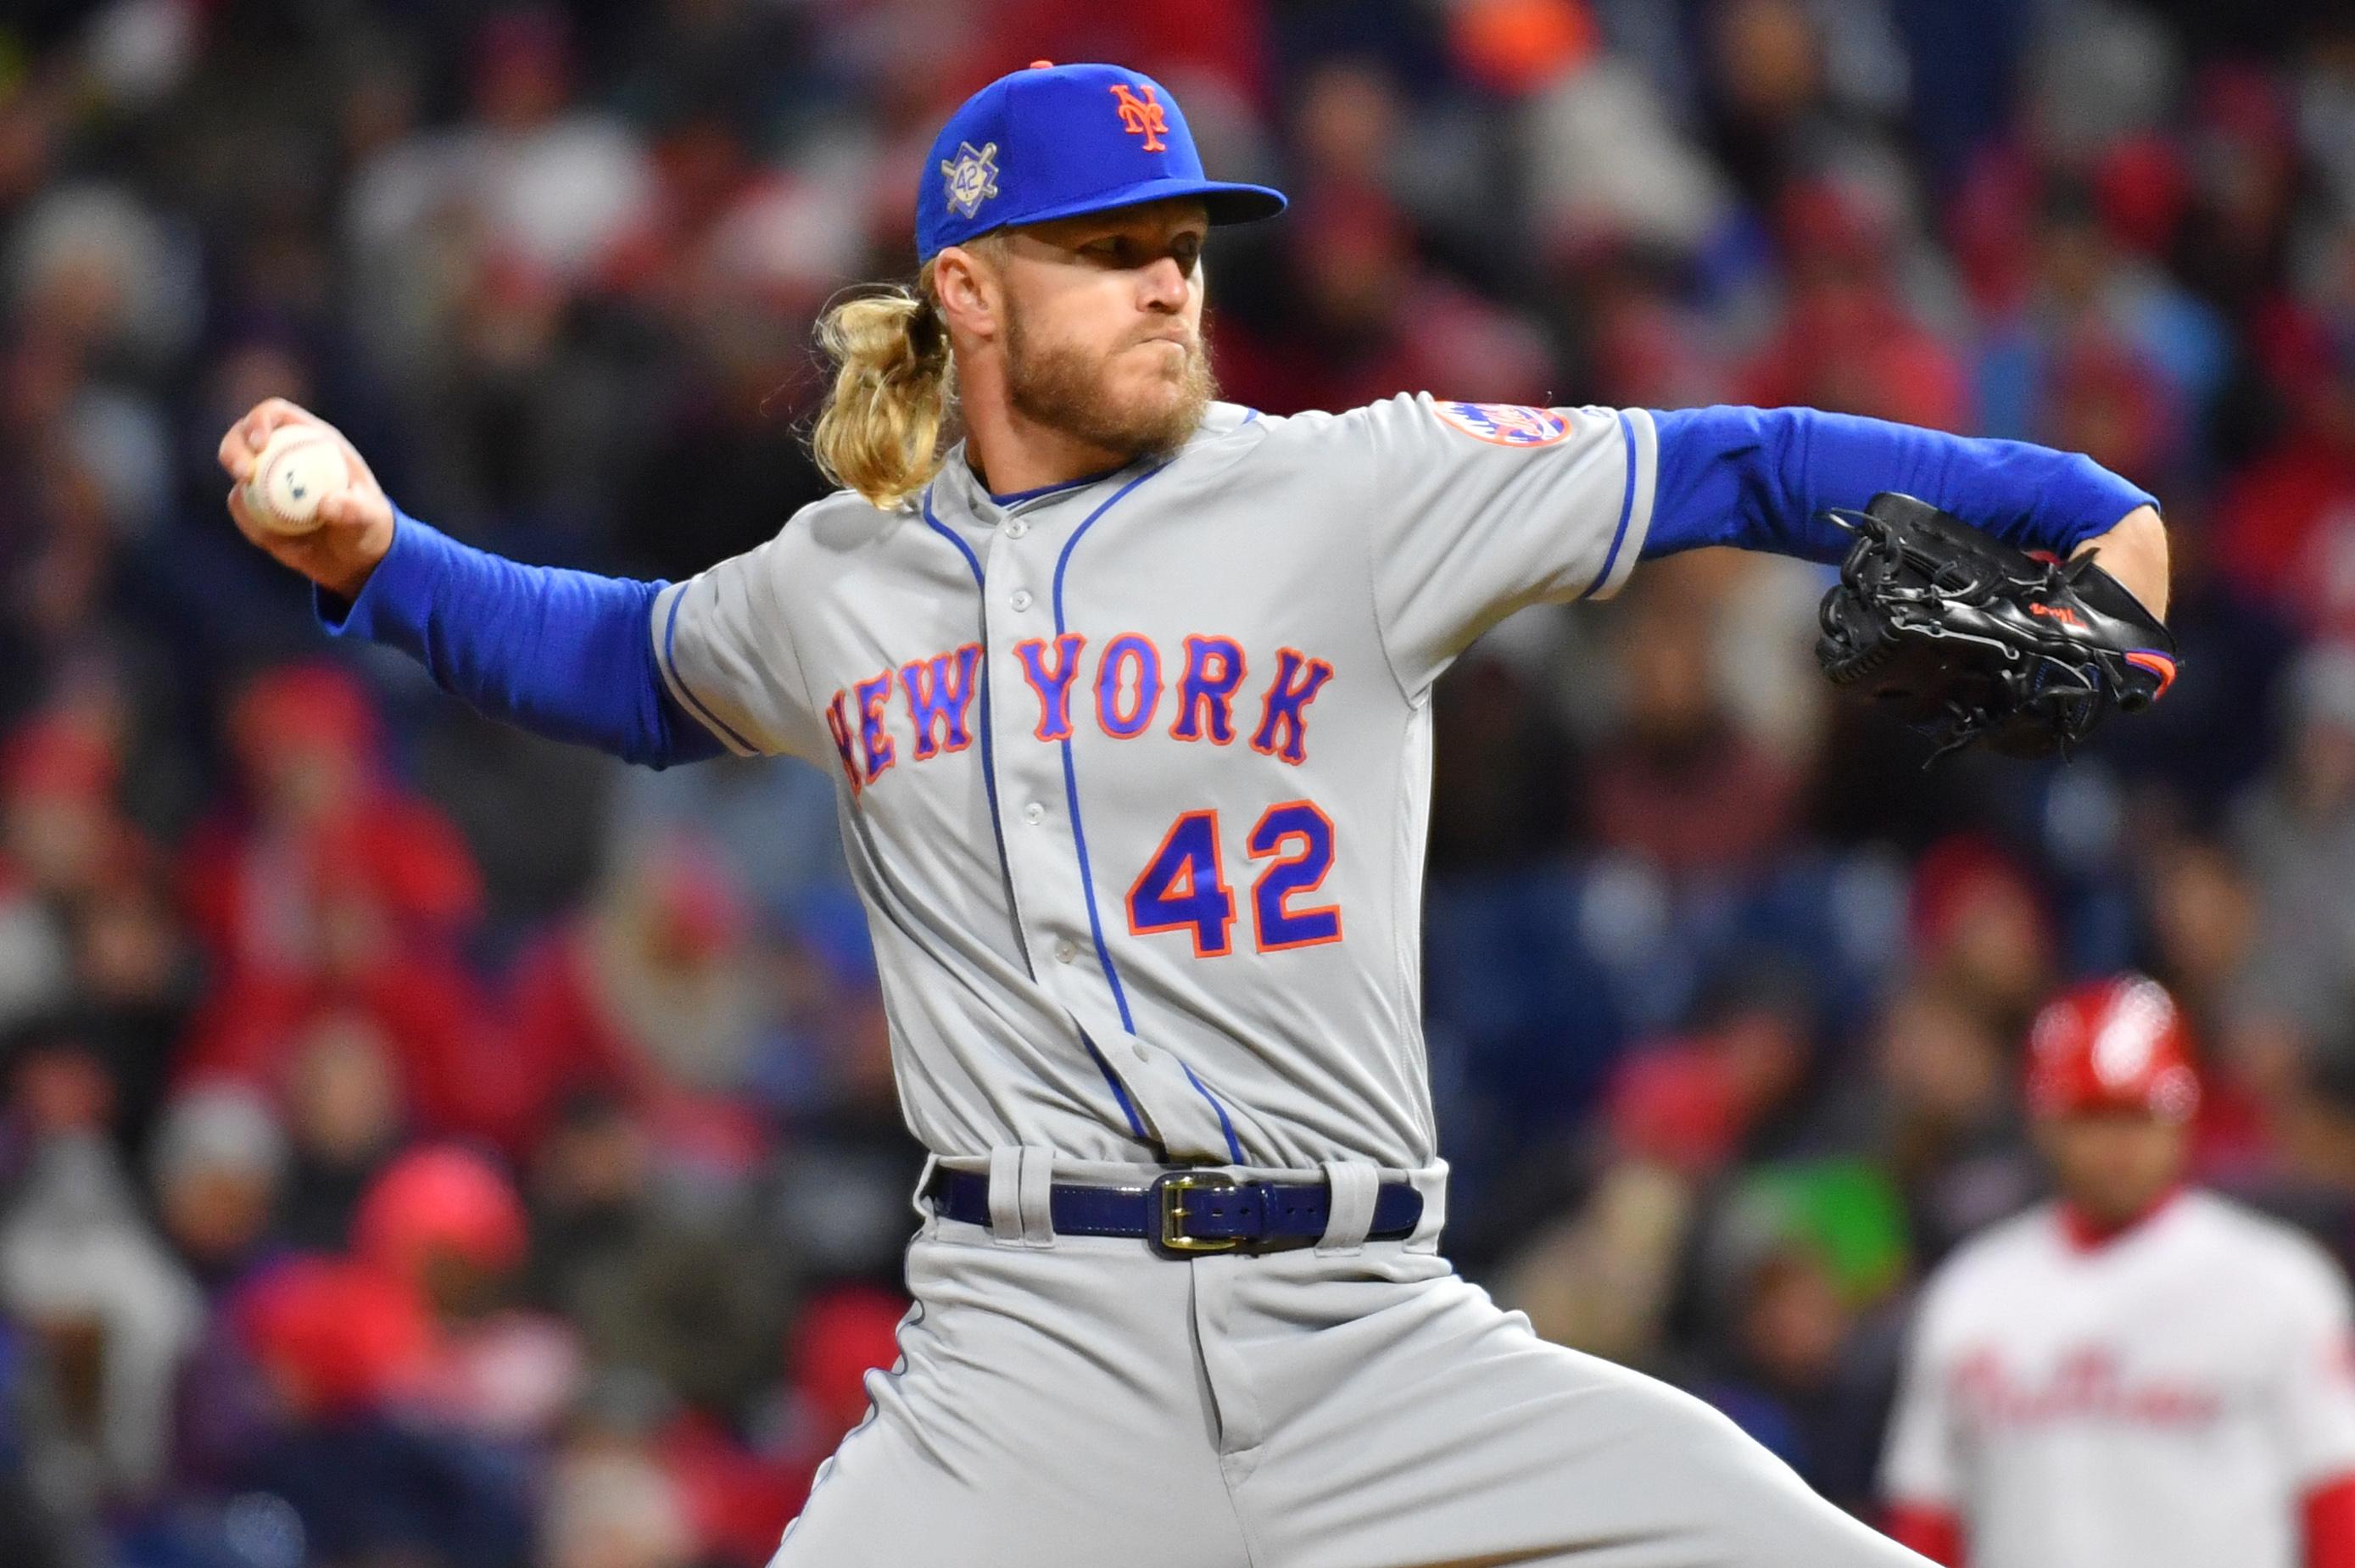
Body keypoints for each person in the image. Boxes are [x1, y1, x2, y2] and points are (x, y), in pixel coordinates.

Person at [216, 59, 2171, 1568]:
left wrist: (2070, 502)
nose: (1170, 274)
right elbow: (623, 666)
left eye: (1186, 241)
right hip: (1019, 1354)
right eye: (1112, 243)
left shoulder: (1353, 492)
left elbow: (1735, 463)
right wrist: (379, 552)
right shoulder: (839, 577)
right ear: (966, 295)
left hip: (1369, 1334)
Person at [1880, 974, 2355, 1568]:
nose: (2117, 1145)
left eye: (2138, 1116)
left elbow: (2335, 1500)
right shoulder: (1970, 1291)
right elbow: (1926, 1515)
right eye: (2092, 1117)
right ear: (2044, 1122)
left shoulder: (2279, 1282)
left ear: (2183, 1118)